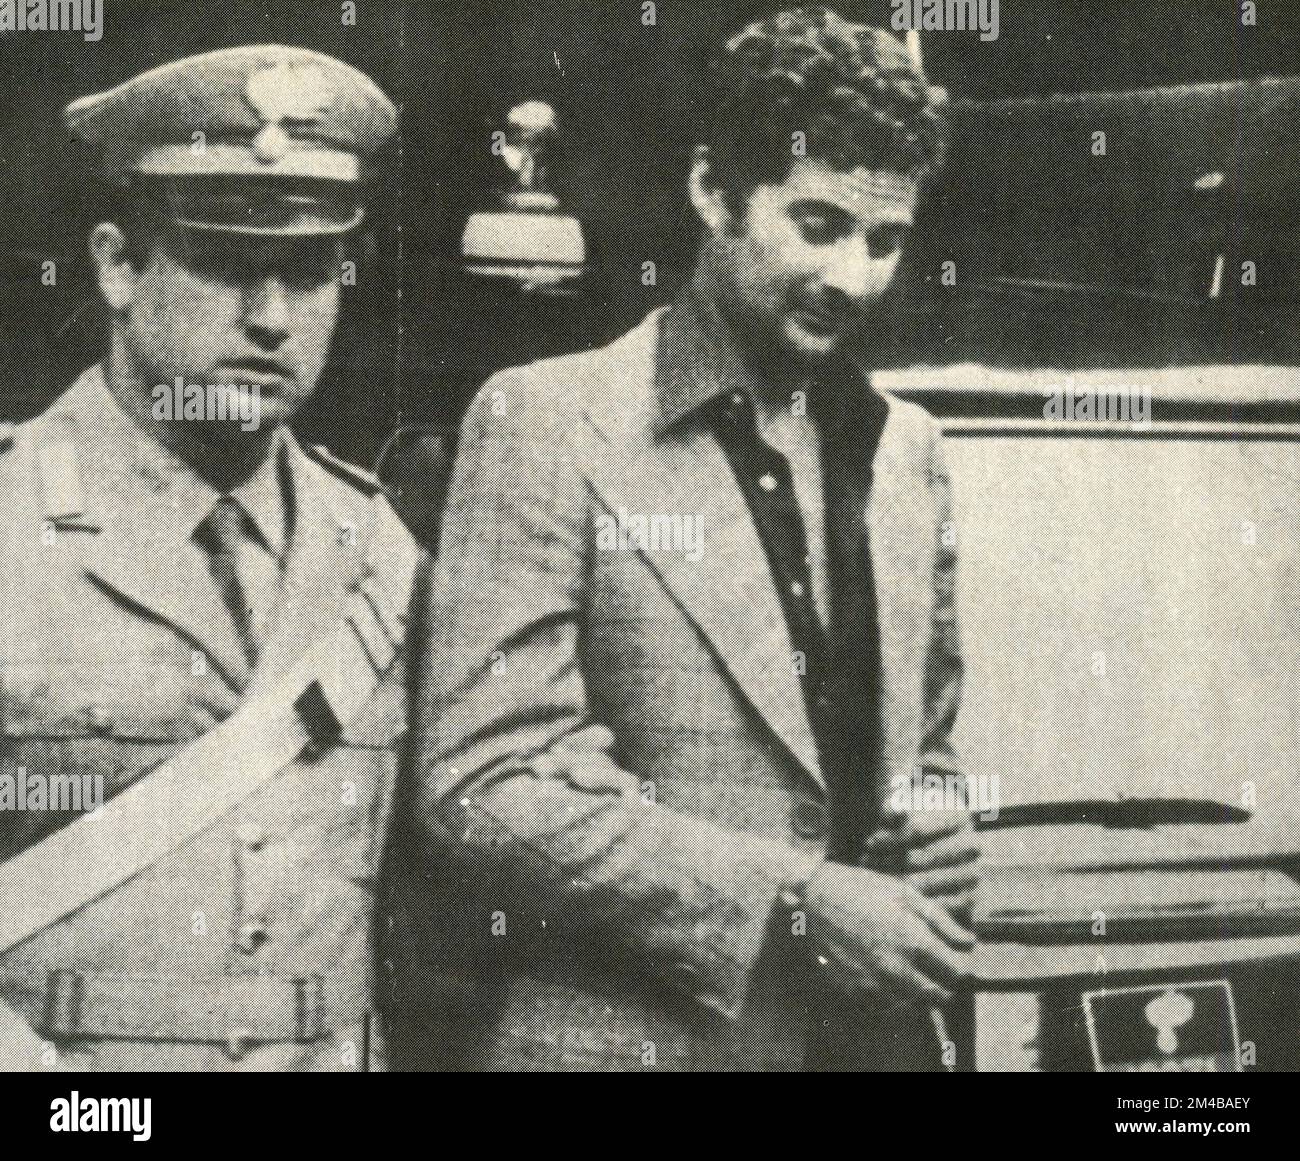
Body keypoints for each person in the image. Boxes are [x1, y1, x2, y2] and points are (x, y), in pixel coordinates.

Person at [406, 6, 979, 1071]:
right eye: (817, 224)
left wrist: (935, 831)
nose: (852, 276)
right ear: (712, 190)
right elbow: (480, 785)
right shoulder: (542, 420)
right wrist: (796, 905)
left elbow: (926, 745)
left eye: (885, 240)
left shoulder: (908, 451)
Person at [0, 45, 419, 1070]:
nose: (272, 319)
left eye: (310, 273)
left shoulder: (380, 551)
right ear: (116, 265)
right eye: (229, 267)